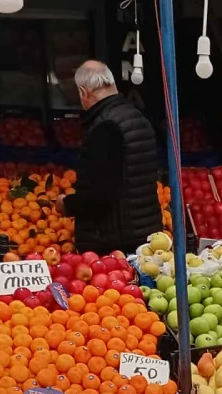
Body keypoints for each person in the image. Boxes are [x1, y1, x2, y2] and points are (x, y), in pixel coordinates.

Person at [60, 61, 163, 254]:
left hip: (114, 242)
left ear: (83, 92)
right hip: (144, 234)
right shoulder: (137, 117)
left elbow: (101, 193)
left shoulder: (105, 126)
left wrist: (67, 204)